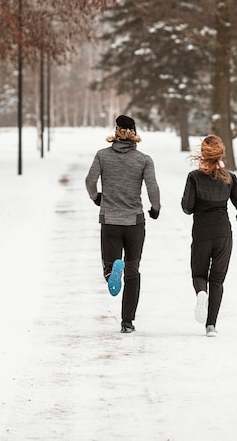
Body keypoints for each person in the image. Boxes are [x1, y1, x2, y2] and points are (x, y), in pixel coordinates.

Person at [85, 115, 161, 333]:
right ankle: (127, 322)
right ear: (135, 135)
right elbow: (152, 188)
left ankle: (111, 273)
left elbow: (90, 181)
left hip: (110, 220)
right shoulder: (144, 160)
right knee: (133, 270)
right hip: (134, 222)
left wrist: (96, 197)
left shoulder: (102, 156)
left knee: (110, 266)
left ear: (116, 132)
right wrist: (155, 208)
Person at [181, 134, 237, 337]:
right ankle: (211, 325)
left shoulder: (194, 177)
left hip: (202, 232)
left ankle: (201, 293)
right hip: (223, 233)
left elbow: (187, 207)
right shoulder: (229, 177)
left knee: (199, 274)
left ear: (203, 152)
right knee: (217, 280)